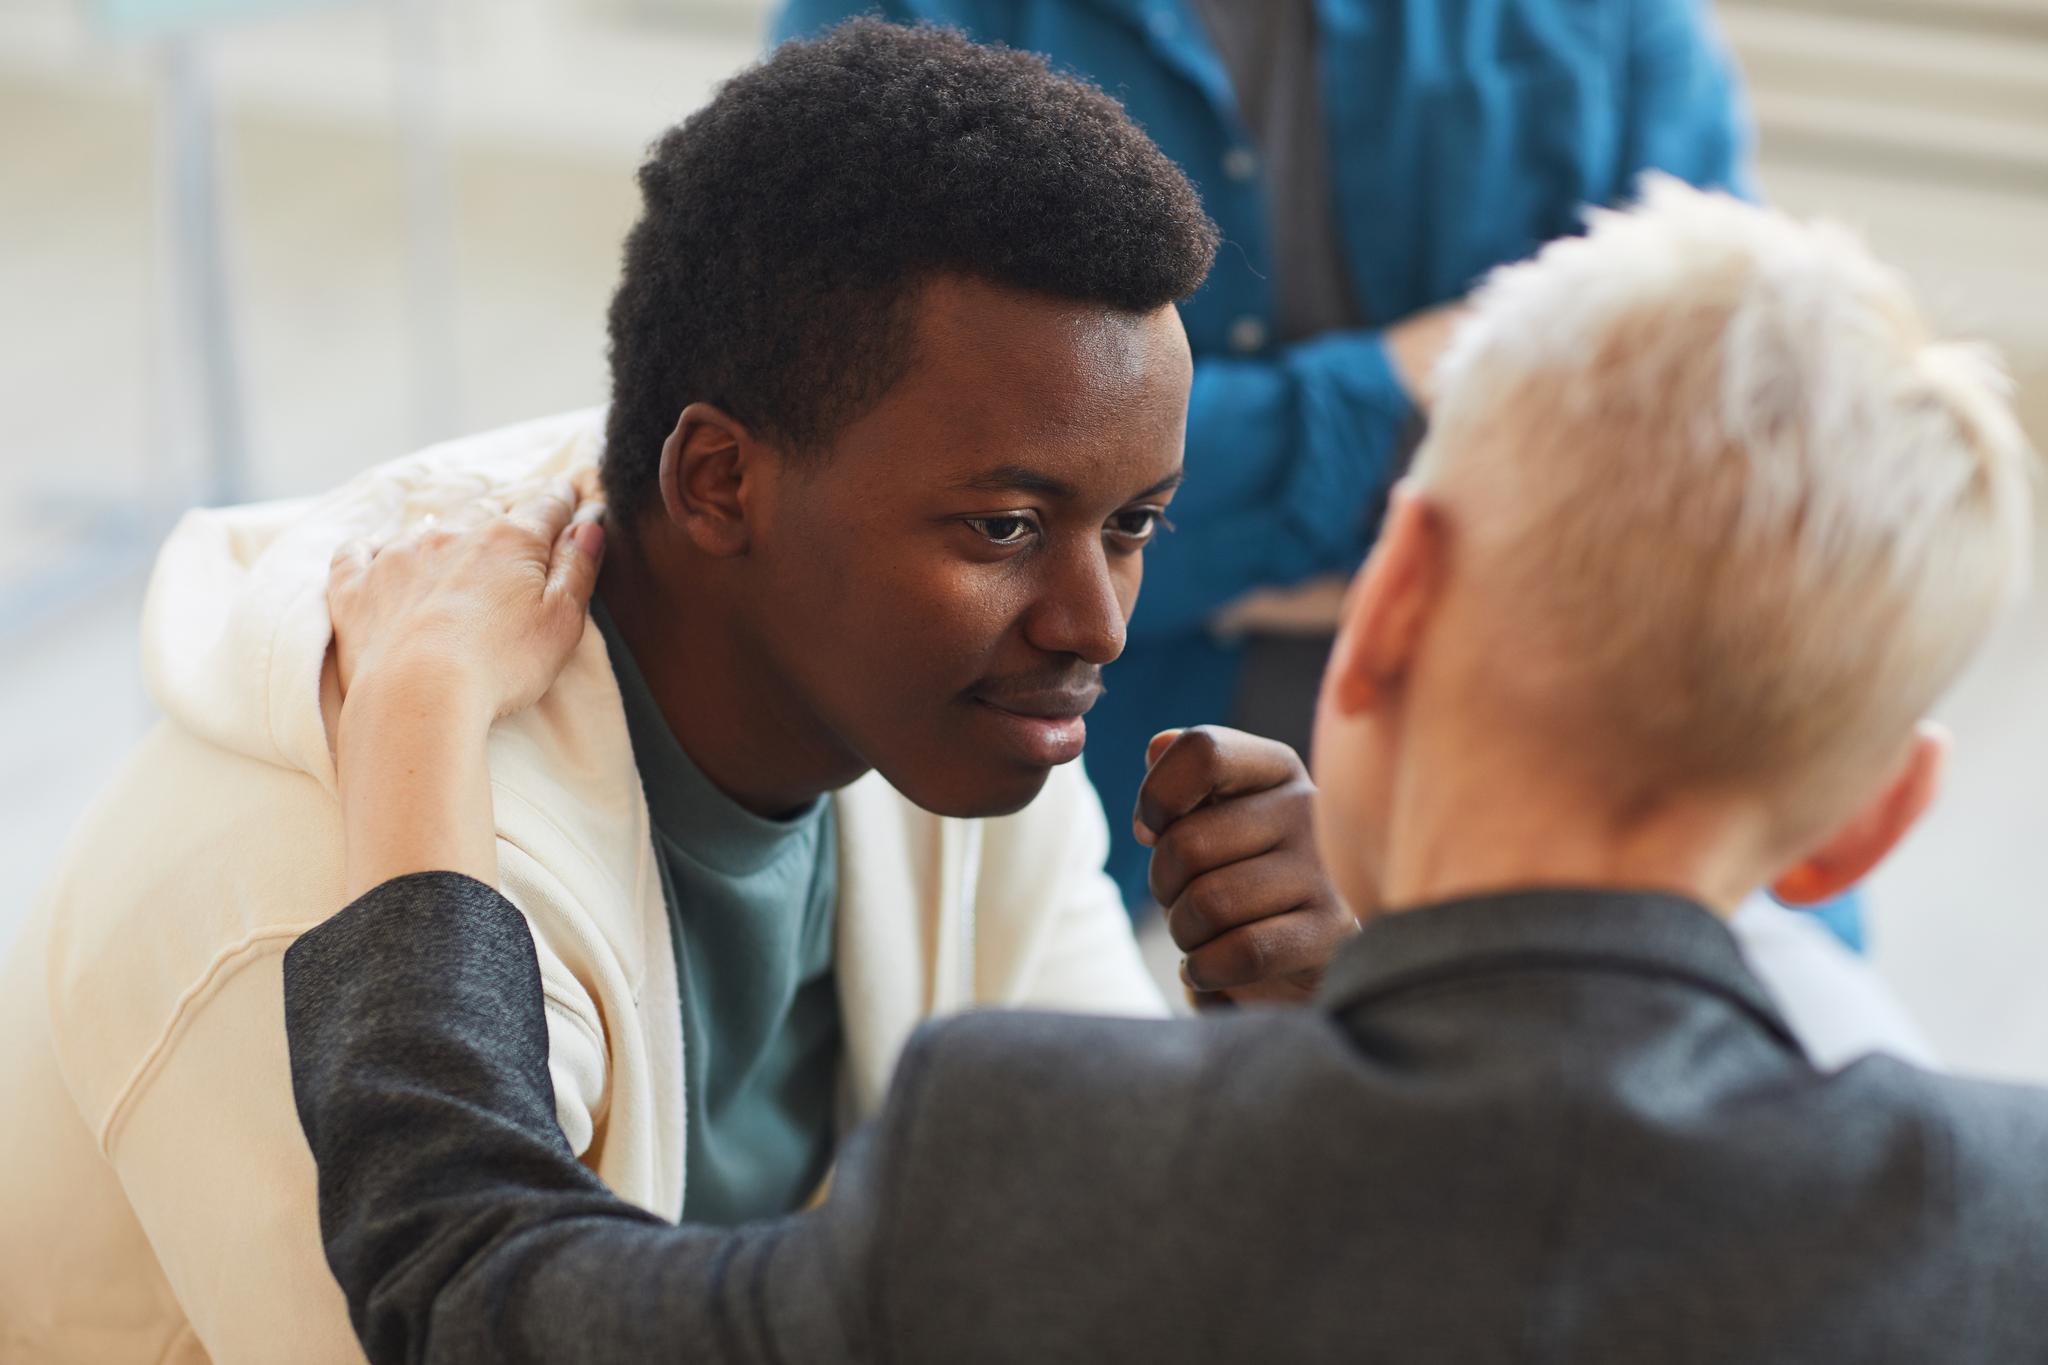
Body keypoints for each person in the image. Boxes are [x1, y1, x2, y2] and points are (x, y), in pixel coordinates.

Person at [283, 180, 2044, 1363]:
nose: (1097, 624)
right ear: (1871, 820)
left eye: (1136, 531)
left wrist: (425, 715)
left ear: (1397, 592)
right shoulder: (2003, 1222)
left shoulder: (1041, 1156)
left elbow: (474, 1290)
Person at [0, 25, 1359, 1363]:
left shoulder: (949, 717)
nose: (1098, 624)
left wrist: (1298, 1044)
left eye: (1135, 525)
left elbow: (1107, 1269)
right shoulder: (323, 908)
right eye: (1004, 527)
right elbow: (450, 1297)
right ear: (718, 483)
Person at [774, 0, 1815, 933]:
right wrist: (1396, 401)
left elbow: (1712, 500)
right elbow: (855, 491)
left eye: (1133, 525)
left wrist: (1186, 530)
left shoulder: (1615, 28)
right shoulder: (907, 15)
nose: (1096, 599)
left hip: (1554, 869)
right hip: (1074, 871)